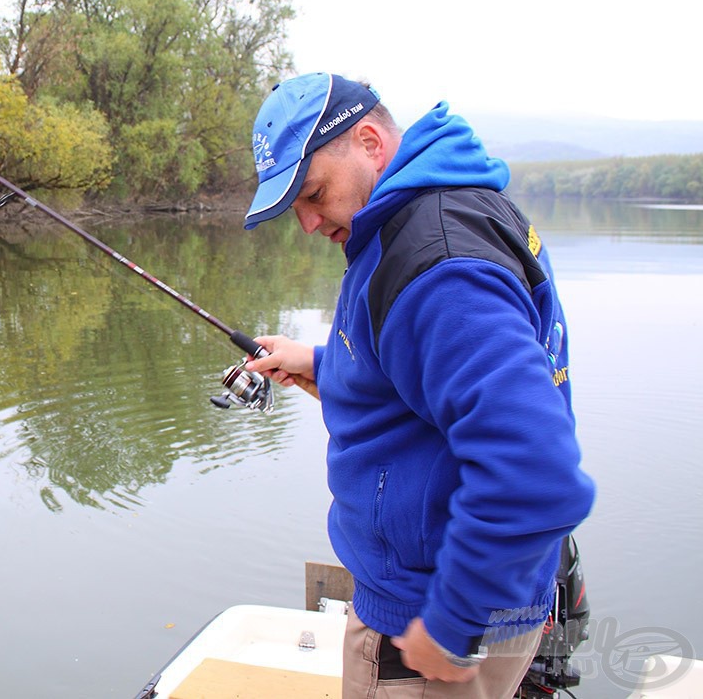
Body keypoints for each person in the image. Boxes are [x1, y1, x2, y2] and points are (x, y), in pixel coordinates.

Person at [242, 73, 595, 698]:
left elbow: (535, 471)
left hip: (426, 625)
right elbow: (429, 384)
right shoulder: (430, 215)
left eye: (314, 192)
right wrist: (324, 367)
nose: (306, 222)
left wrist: (453, 622)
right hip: (464, 597)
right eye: (292, 204)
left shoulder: (436, 265)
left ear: (371, 142)